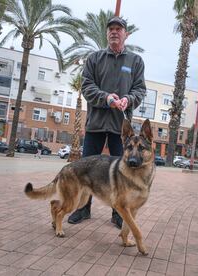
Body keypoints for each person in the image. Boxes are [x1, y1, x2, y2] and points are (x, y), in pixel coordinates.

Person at [67, 16, 146, 229]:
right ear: (107, 33)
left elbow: (140, 89)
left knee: (121, 171)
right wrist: (106, 98)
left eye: (118, 29)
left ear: (125, 34)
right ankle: (83, 208)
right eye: (111, 29)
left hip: (122, 129)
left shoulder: (135, 61)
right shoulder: (94, 58)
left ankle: (118, 212)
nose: (114, 32)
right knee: (86, 169)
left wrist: (128, 99)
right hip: (95, 123)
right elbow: (87, 86)